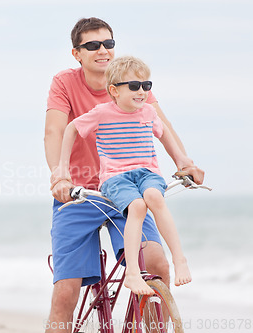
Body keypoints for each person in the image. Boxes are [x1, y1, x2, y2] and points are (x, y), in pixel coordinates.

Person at [44, 17, 204, 332]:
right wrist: (59, 175)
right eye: (93, 45)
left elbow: (161, 125)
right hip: (80, 194)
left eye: (108, 44)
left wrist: (184, 161)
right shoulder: (64, 82)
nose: (103, 50)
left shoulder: (132, 82)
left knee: (156, 264)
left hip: (129, 190)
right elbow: (56, 130)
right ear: (77, 53)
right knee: (66, 290)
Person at [54, 55, 193, 296]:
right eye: (134, 86)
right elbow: (71, 128)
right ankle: (132, 274)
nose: (142, 91)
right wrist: (62, 169)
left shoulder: (148, 112)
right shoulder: (102, 113)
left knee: (155, 198)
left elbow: (164, 134)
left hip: (147, 173)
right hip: (116, 177)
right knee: (137, 206)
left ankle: (180, 259)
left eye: (146, 85)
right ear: (114, 91)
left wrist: (182, 161)